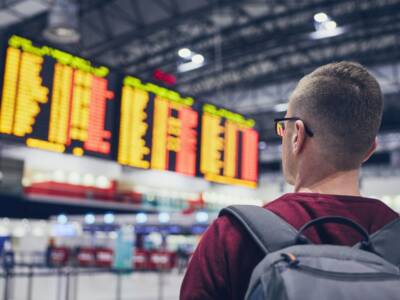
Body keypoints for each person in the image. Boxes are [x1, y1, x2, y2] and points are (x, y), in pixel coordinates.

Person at [180, 62, 399, 300]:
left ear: (297, 135)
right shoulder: (394, 237)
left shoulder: (231, 236)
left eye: (282, 128)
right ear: (370, 150)